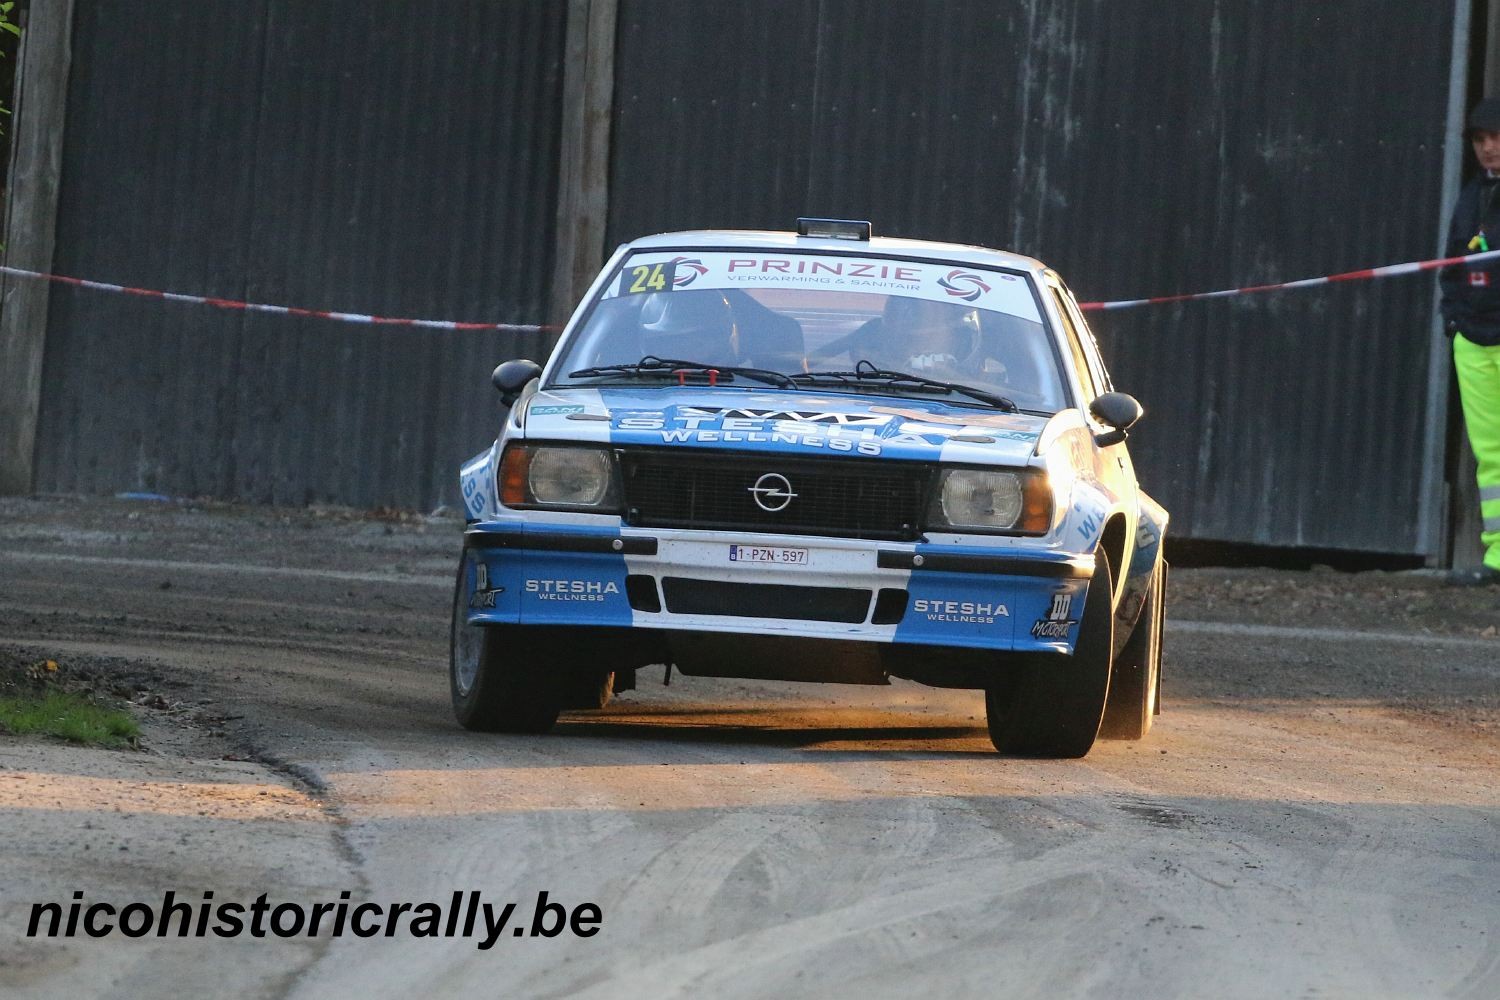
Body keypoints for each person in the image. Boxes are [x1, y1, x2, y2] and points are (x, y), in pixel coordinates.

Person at [1439, 98, 1500, 585]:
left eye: (1496, 137)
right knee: (1491, 454)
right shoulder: (1471, 196)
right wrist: (1454, 320)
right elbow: (1452, 262)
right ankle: (1498, 556)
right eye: (1481, 140)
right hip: (1473, 341)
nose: (1489, 148)